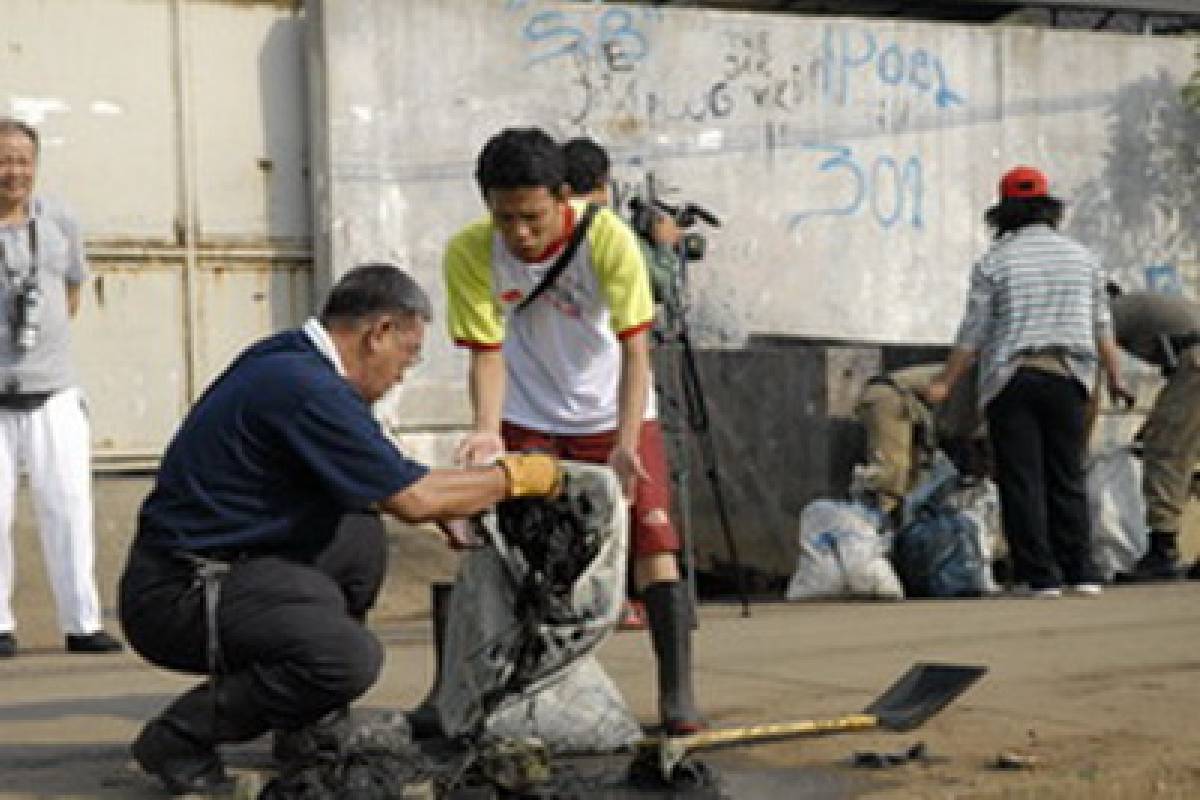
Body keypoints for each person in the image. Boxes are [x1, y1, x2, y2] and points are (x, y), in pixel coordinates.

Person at [118, 263, 563, 795]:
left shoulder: (291, 360)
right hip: (176, 596)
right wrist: (519, 477)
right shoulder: (306, 388)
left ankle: (306, 721)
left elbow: (384, 470)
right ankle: (179, 738)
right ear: (379, 334)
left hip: (218, 570)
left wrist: (454, 500)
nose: (405, 371)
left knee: (357, 532)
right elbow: (414, 498)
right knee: (347, 657)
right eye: (410, 353)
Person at [443, 127, 702, 735]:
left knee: (654, 545)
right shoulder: (468, 252)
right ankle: (466, 691)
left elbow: (635, 348)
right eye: (505, 218)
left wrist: (625, 442)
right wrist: (486, 433)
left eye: (533, 218)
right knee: (508, 552)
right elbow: (485, 352)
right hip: (527, 417)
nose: (521, 234)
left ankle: (677, 695)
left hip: (613, 414)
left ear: (563, 198)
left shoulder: (608, 239)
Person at [924, 165, 1130, 598]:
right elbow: (1102, 324)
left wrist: (944, 382)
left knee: (1022, 479)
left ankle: (1041, 576)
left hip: (1012, 378)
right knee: (1067, 473)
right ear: (1048, 209)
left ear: (1003, 214)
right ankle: (1082, 571)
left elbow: (974, 332)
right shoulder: (1084, 259)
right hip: (1070, 377)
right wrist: (1115, 376)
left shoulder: (994, 262)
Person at [0, 116, 121, 659]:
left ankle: (82, 622)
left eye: (22, 161)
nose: (13, 172)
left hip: (53, 391)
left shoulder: (59, 221)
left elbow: (71, 289)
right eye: (4, 160)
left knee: (69, 507)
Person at [1107, 285, 1200, 581]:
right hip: (1190, 369)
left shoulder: (1106, 313)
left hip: (1195, 367)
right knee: (1192, 460)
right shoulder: (1140, 306)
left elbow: (1089, 373)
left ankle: (1163, 550)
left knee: (1166, 453)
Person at [854, 362, 982, 518]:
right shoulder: (979, 382)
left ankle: (901, 524)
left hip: (915, 406)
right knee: (894, 472)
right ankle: (878, 523)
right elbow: (955, 431)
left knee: (916, 480)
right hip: (890, 395)